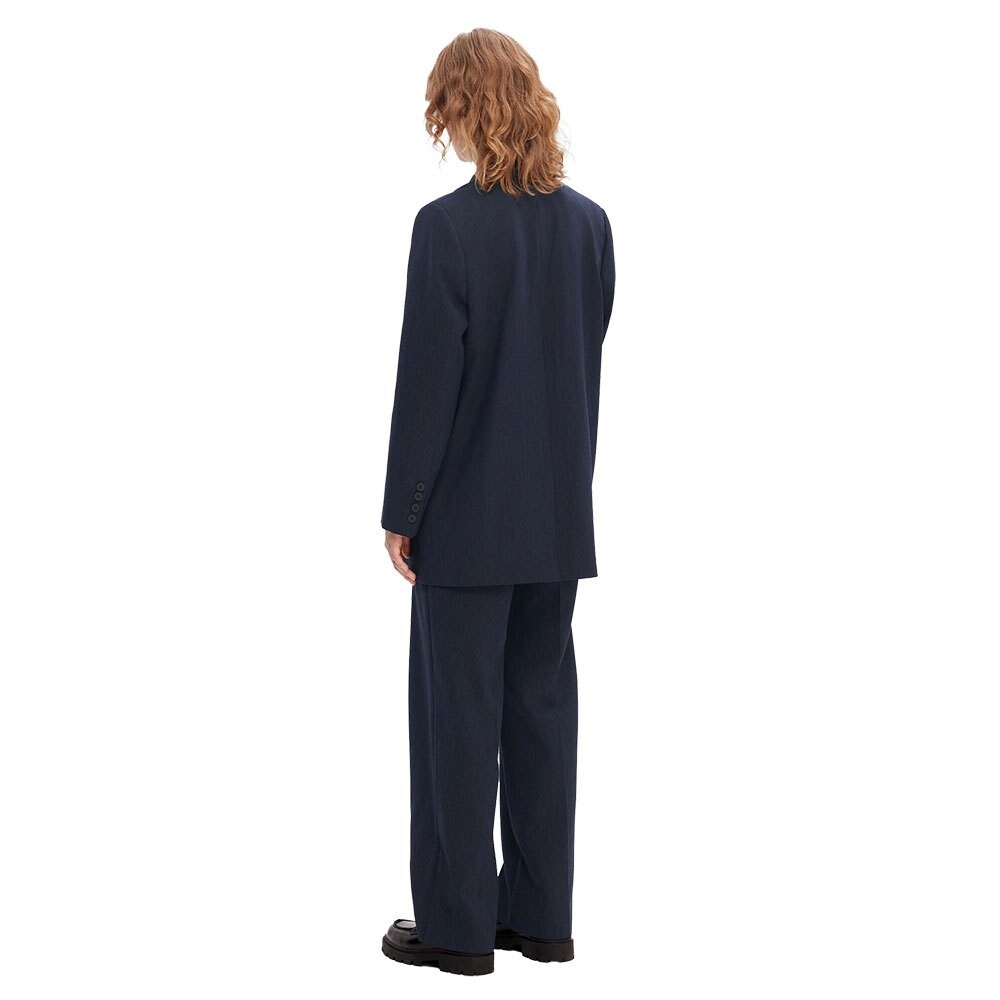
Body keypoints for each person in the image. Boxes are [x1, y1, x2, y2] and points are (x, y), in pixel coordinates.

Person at [379, 28, 615, 977]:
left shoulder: (446, 229)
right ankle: (542, 919)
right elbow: (580, 361)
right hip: (557, 523)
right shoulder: (591, 226)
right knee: (541, 720)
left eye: (446, 111)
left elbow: (428, 384)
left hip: (468, 524)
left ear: (463, 110)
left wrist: (404, 508)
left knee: (456, 730)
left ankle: (458, 929)